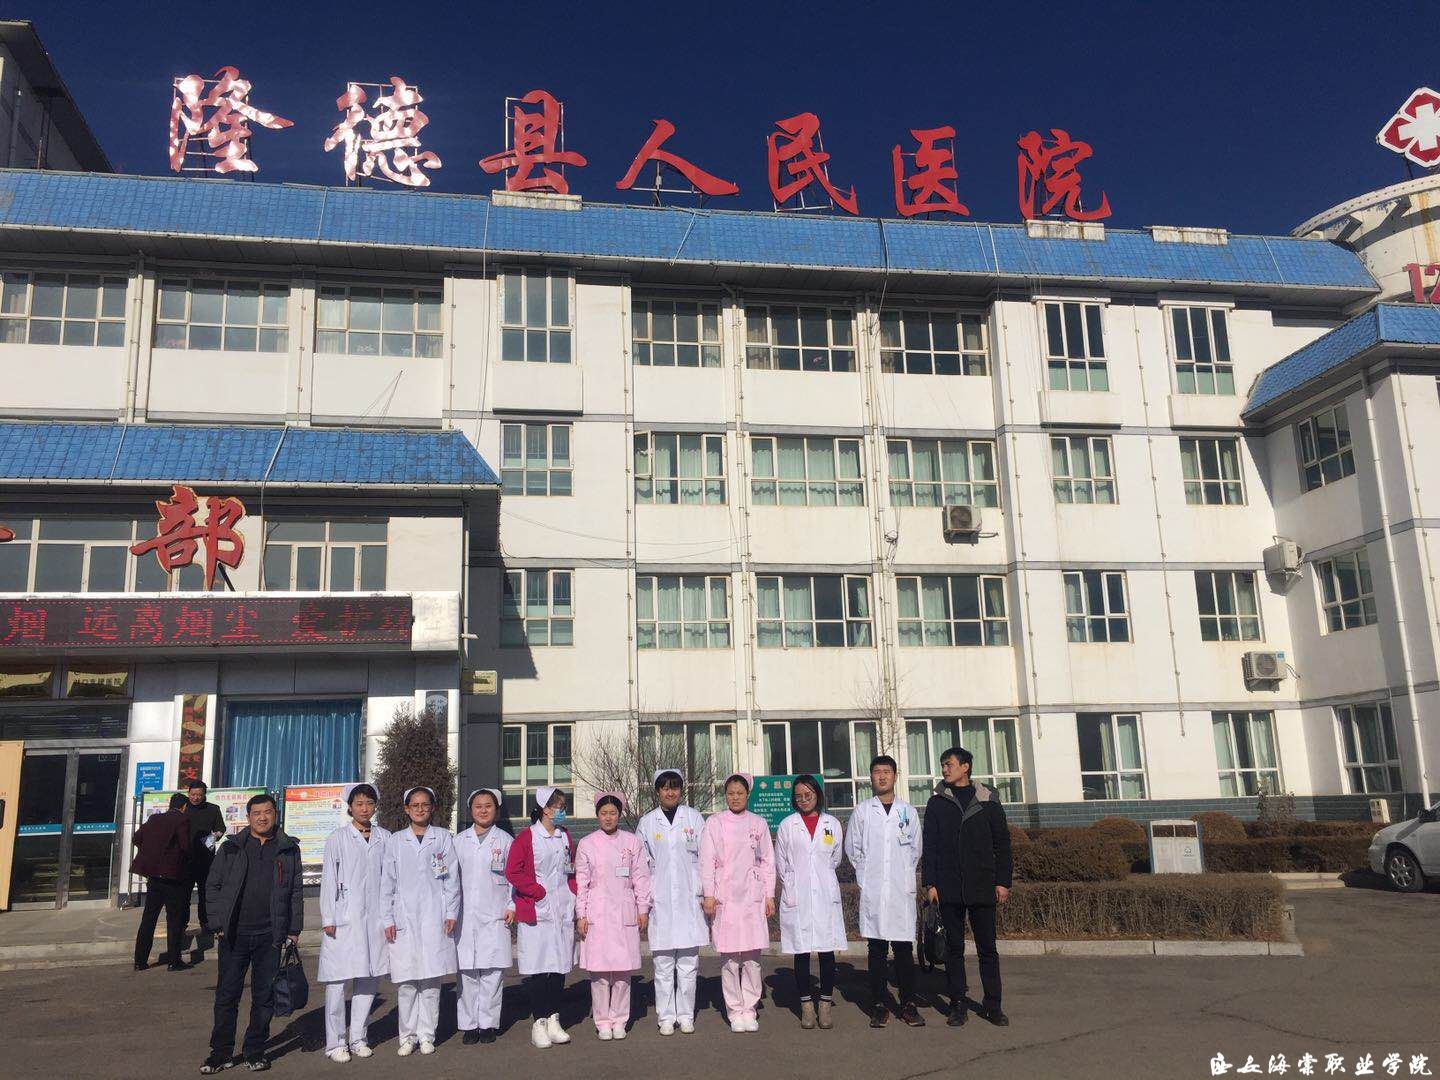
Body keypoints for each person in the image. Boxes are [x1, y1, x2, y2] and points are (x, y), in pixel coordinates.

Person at [200, 792, 304, 1074]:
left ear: (275, 814)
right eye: (256, 813)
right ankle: (220, 1053)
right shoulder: (232, 848)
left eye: (267, 812)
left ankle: (255, 1050)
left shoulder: (288, 849)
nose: (262, 817)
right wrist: (217, 924)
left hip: (270, 935)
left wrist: (293, 929)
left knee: (264, 997)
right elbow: (213, 886)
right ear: (248, 817)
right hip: (234, 935)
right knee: (227, 996)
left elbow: (295, 892)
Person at [922, 746, 1013, 1029]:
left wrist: (1003, 881)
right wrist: (931, 883)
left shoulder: (988, 800)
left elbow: (1002, 843)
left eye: (949, 764)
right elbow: (930, 846)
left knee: (988, 949)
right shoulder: (937, 802)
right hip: (949, 887)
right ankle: (958, 1004)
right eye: (943, 765)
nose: (944, 769)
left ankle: (993, 1005)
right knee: (954, 949)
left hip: (982, 884)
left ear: (966, 767)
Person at [380, 786, 460, 1057]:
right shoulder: (396, 841)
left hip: (435, 916)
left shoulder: (442, 837)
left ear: (432, 807)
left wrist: (451, 913)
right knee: (406, 983)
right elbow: (387, 882)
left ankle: (427, 1035)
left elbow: (451, 880)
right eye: (414, 805)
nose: (420, 809)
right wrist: (387, 917)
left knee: (431, 982)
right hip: (403, 917)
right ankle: (407, 1036)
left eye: (425, 804)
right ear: (406, 809)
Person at [845, 755, 924, 1028]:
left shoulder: (907, 812)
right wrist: (867, 874)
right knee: (876, 948)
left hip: (900, 889)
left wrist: (901, 873)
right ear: (870, 777)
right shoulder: (863, 811)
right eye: (877, 772)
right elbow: (853, 849)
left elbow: (915, 849)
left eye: (886, 772)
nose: (881, 776)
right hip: (875, 888)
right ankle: (879, 1003)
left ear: (895, 776)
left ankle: (908, 1003)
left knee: (903, 949)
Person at [318, 783, 390, 1064]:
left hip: (375, 920)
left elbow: (390, 879)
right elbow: (328, 879)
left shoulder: (385, 837)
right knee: (337, 983)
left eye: (369, 803)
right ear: (350, 807)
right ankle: (335, 1042)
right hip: (343, 918)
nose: (364, 808)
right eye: (359, 803)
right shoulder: (337, 838)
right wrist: (328, 917)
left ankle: (358, 1038)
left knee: (368, 979)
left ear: (375, 806)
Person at [699, 772, 775, 1034]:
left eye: (740, 793)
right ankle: (734, 1010)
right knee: (730, 958)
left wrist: (769, 895)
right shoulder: (715, 822)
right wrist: (709, 894)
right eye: (730, 793)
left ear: (748, 795)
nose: (735, 797)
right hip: (726, 897)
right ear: (725, 795)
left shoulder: (758, 823)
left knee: (752, 958)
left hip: (752, 896)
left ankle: (749, 1008)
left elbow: (768, 861)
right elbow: (706, 861)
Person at [504, 786, 577, 1050]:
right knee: (538, 967)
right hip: (538, 909)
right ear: (546, 809)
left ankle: (554, 1019)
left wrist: (573, 895)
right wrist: (538, 892)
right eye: (560, 807)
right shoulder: (527, 838)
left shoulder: (564, 836)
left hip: (562, 909)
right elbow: (513, 872)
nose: (563, 811)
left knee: (558, 966)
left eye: (563, 807)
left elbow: (571, 870)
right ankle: (539, 1022)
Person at [576, 792, 652, 1041]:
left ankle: (620, 1019)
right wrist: (581, 914)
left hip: (624, 911)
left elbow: (641, 878)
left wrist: (643, 909)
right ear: (597, 815)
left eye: (613, 813)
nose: (608, 817)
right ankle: (602, 1021)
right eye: (603, 813)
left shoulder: (632, 842)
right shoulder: (587, 843)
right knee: (598, 974)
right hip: (596, 913)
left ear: (619, 815)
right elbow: (582, 883)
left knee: (622, 972)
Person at [637, 768, 708, 1036]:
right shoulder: (647, 822)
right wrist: (644, 903)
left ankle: (686, 1015)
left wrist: (705, 892)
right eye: (665, 787)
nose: (670, 792)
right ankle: (666, 1016)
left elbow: (706, 857)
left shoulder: (694, 818)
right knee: (663, 965)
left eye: (675, 787)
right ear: (657, 791)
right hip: (661, 900)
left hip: (690, 898)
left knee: (689, 965)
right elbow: (640, 867)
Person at [774, 774, 846, 1031]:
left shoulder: (832, 824)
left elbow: (835, 858)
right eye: (799, 796)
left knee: (827, 951)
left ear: (817, 795)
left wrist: (819, 876)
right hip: (799, 894)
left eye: (808, 795)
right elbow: (781, 863)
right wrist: (795, 884)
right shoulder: (787, 825)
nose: (804, 800)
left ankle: (824, 1004)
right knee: (801, 951)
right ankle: (806, 1006)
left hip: (825, 893)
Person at [454, 788, 514, 1046]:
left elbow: (513, 878)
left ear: (496, 810)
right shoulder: (459, 841)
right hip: (464, 915)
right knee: (467, 973)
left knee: (492, 973)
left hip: (495, 914)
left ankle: (488, 1024)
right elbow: (450, 880)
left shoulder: (506, 841)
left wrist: (512, 905)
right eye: (478, 806)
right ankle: (469, 1025)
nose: (483, 810)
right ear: (471, 811)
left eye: (488, 806)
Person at [132, 791, 192, 972]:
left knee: (149, 918)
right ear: (184, 807)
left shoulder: (154, 819)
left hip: (153, 876)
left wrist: (152, 853)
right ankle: (174, 961)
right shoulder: (182, 820)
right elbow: (185, 846)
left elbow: (136, 838)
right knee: (174, 919)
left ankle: (140, 961)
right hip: (173, 877)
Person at [186, 780, 226, 935]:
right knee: (184, 895)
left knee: (206, 894)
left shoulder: (213, 809)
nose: (195, 798)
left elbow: (220, 828)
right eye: (193, 794)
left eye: (199, 795)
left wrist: (214, 837)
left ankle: (206, 924)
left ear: (204, 795)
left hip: (206, 859)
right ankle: (182, 924)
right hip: (186, 860)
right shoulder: (183, 808)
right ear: (188, 793)